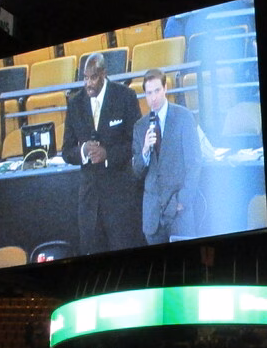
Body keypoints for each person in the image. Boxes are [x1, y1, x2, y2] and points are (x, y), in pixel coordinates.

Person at [62, 52, 143, 253]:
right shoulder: (75, 104)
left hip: (121, 197)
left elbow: (136, 142)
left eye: (93, 77)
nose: (88, 83)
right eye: (85, 78)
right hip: (89, 201)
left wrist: (108, 155)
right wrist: (83, 151)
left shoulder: (125, 96)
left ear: (104, 74)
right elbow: (66, 151)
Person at [132, 68, 202, 244]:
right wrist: (145, 150)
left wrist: (182, 201)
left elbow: (194, 163)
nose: (153, 97)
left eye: (157, 91)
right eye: (149, 93)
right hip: (153, 218)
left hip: (179, 214)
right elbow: (137, 171)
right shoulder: (140, 126)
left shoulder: (183, 117)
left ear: (165, 89)